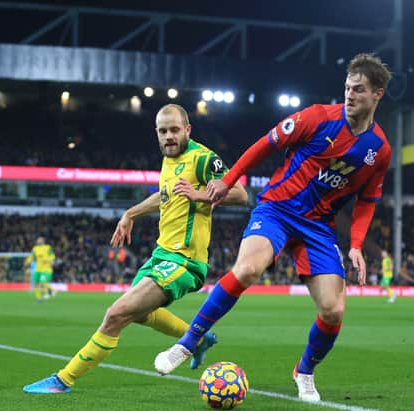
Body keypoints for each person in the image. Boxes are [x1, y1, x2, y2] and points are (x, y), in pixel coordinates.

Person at [154, 53, 392, 403]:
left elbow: (368, 200)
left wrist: (356, 244)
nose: (350, 95)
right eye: (347, 88)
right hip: (277, 208)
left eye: (358, 89)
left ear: (378, 94)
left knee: (334, 309)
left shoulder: (379, 150)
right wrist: (229, 180)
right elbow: (265, 145)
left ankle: (305, 371)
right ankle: (188, 343)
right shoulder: (317, 118)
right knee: (248, 268)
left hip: (318, 227)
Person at [23, 104, 248, 394]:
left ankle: (63, 380)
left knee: (117, 313)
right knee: (139, 313)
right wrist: (131, 213)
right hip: (161, 254)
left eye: (175, 130)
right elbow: (165, 196)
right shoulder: (169, 160)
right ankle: (199, 340)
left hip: (185, 261)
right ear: (156, 133)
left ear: (187, 130)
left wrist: (199, 195)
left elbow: (241, 195)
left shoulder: (203, 159)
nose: (169, 136)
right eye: (163, 131)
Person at [25, 237, 55, 302]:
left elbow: (52, 255)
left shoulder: (47, 247)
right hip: (38, 269)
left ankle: (52, 291)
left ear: (43, 241)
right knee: (36, 283)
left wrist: (50, 260)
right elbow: (31, 257)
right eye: (38, 240)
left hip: (46, 268)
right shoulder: (35, 249)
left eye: (40, 240)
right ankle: (38, 298)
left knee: (43, 282)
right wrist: (27, 261)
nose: (39, 241)